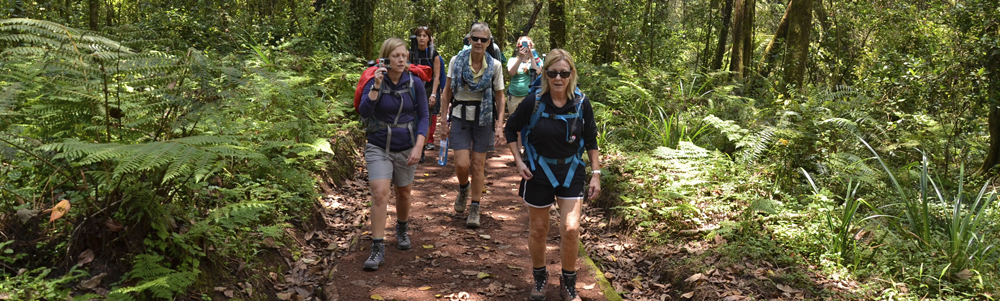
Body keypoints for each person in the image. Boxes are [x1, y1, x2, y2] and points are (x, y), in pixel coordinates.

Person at [503, 49, 601, 301]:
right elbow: (511, 129)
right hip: (538, 171)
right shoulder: (533, 101)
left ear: (571, 75)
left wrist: (596, 174)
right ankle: (540, 277)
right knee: (538, 228)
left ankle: (568, 283)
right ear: (545, 74)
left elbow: (591, 140)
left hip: (571, 170)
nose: (559, 78)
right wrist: (518, 161)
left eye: (564, 73)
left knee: (570, 228)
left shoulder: (582, 103)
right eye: (553, 73)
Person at [358, 38, 429, 271]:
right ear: (386, 59)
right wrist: (377, 86)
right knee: (380, 193)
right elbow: (364, 112)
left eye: (404, 56)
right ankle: (377, 247)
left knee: (404, 192)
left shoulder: (415, 83)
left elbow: (424, 117)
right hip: (379, 146)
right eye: (396, 56)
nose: (401, 60)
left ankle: (401, 227)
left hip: (407, 145)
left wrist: (419, 146)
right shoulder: (374, 79)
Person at [439, 22, 506, 229]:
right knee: (461, 164)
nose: (478, 42)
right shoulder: (455, 61)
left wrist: (499, 124)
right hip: (460, 115)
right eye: (475, 38)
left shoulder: (494, 65)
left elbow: (500, 97)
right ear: (469, 39)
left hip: (483, 118)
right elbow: (447, 93)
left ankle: (475, 207)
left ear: (488, 42)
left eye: (483, 39)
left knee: (478, 164)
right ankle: (463, 188)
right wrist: (443, 121)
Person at [409, 26, 444, 163]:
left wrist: (434, 94)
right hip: (412, 88)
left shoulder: (433, 54)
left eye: (424, 35)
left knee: (426, 118)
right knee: (412, 116)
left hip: (428, 89)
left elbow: (436, 76)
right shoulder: (410, 52)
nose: (421, 38)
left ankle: (422, 148)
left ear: (429, 38)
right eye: (419, 35)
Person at [506, 36, 542, 117]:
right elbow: (511, 73)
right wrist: (521, 58)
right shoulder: (512, 60)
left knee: (528, 122)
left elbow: (537, 73)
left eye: (526, 45)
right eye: (521, 45)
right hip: (514, 97)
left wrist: (532, 57)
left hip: (529, 97)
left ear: (531, 46)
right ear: (518, 47)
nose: (524, 47)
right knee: (514, 122)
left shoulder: (536, 61)